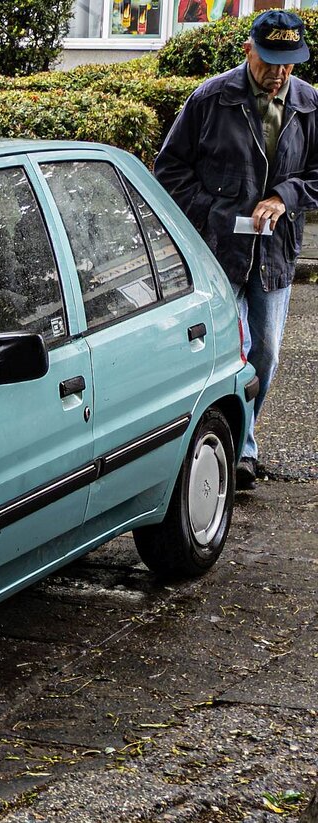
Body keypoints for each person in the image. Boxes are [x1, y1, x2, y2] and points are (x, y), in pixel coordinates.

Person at [154, 9, 318, 490]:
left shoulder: (310, 105)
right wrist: (216, 213)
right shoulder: (210, 99)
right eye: (270, 61)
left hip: (275, 256)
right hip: (217, 252)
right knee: (226, 351)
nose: (279, 73)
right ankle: (234, 448)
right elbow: (170, 171)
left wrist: (284, 198)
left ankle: (241, 436)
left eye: (289, 63)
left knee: (263, 354)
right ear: (248, 50)